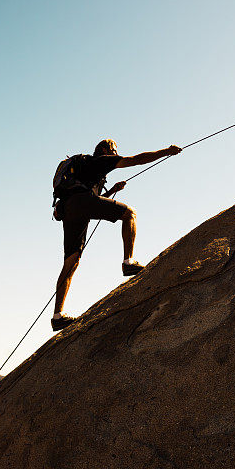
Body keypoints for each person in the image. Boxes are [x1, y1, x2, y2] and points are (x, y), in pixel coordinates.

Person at [51, 138, 181, 331]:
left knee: (72, 261)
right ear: (104, 149)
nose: (115, 153)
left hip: (69, 208)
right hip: (82, 203)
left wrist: (112, 190)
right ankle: (128, 262)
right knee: (130, 214)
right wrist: (166, 151)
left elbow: (94, 201)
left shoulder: (85, 169)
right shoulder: (100, 160)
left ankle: (57, 316)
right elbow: (135, 159)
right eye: (114, 150)